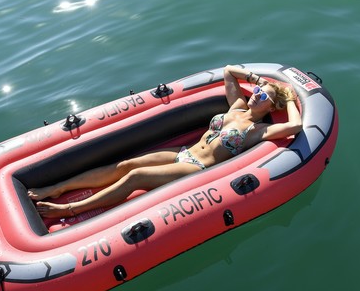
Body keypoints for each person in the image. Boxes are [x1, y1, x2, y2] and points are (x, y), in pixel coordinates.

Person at [29, 65, 303, 219]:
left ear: (271, 106)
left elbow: (295, 126)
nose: (257, 95)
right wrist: (257, 79)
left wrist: (289, 98)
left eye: (264, 96)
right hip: (183, 153)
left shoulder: (259, 130)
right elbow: (230, 72)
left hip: (198, 168)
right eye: (257, 91)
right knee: (126, 164)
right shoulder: (237, 107)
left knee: (136, 176)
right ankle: (57, 187)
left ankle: (68, 208)